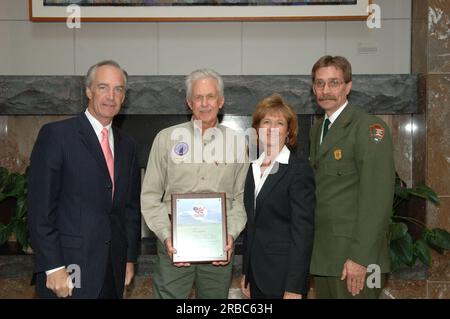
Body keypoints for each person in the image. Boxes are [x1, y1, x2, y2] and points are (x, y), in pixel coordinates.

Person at [27, 60, 141, 299]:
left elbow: (129, 209)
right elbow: (40, 210)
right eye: (103, 87)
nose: (111, 96)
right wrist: (53, 266)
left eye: (118, 89)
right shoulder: (57, 136)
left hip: (112, 269)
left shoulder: (128, 145)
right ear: (88, 91)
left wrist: (129, 258)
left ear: (124, 96)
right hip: (68, 269)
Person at [140, 68, 248, 299]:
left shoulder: (238, 143)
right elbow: (150, 195)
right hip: (174, 245)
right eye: (198, 97)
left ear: (221, 101)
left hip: (219, 246)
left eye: (210, 96)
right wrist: (166, 235)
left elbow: (242, 198)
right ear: (189, 102)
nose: (205, 103)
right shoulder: (165, 139)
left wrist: (230, 235)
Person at [308, 55, 395, 299]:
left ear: (348, 86)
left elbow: (377, 199)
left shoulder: (368, 128)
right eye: (319, 83)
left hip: (354, 260)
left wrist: (360, 258)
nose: (326, 90)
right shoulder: (318, 130)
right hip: (325, 256)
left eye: (334, 82)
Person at [240, 93, 315, 299]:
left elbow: (303, 232)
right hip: (256, 275)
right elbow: (252, 225)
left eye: (279, 123)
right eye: (266, 122)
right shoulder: (253, 167)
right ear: (257, 128)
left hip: (283, 278)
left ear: (288, 131)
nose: (272, 128)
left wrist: (294, 287)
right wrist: (246, 272)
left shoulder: (298, 170)